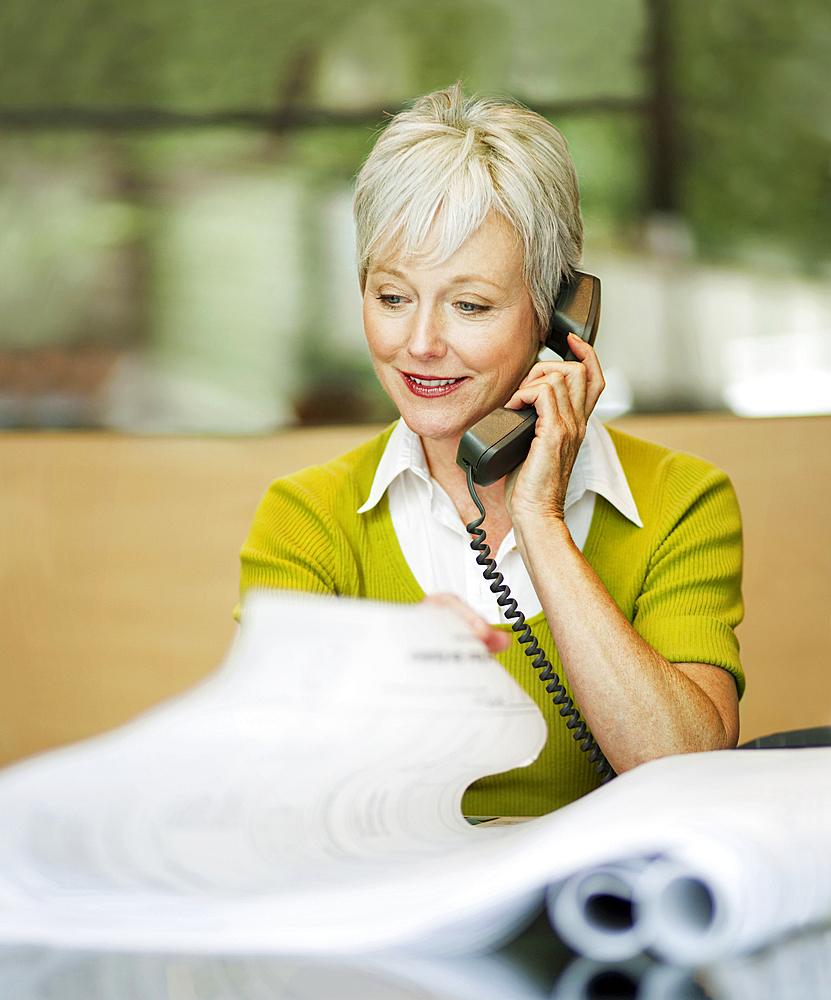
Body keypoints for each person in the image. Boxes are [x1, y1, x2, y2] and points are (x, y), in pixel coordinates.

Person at [238, 83, 744, 817]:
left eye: (469, 304)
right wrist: (380, 682)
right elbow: (258, 788)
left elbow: (689, 770)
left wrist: (539, 518)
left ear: (557, 317)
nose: (419, 343)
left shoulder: (680, 500)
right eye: (391, 296)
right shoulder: (307, 518)